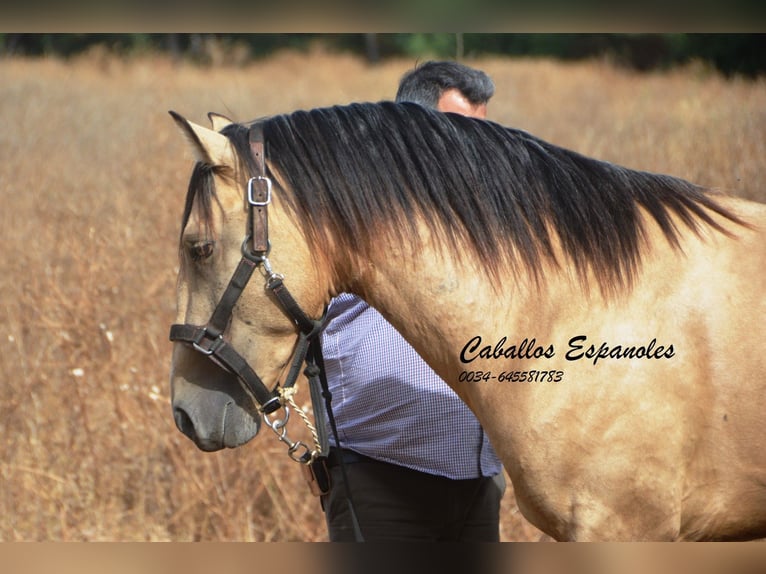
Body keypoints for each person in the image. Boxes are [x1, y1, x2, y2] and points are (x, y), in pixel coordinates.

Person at [317, 61, 505, 542]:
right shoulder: (351, 203)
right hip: (380, 475)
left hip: (477, 479)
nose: (474, 148)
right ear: (412, 127)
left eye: (481, 133)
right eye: (459, 130)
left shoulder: (492, 214)